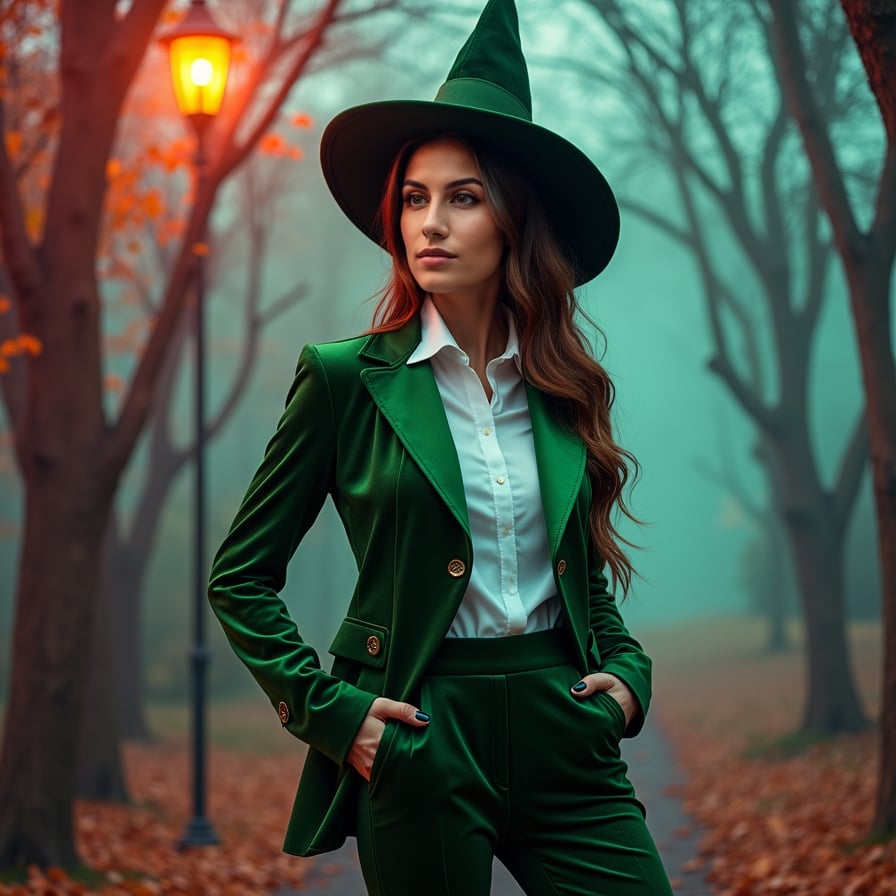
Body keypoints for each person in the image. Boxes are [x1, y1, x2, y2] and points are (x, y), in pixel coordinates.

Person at [208, 1, 674, 893]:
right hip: (421, 729)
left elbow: (573, 575)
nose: (431, 223)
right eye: (416, 199)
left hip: (564, 724)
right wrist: (333, 715)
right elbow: (240, 577)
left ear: (512, 221)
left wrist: (625, 674)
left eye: (463, 198)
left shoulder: (563, 387)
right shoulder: (345, 381)